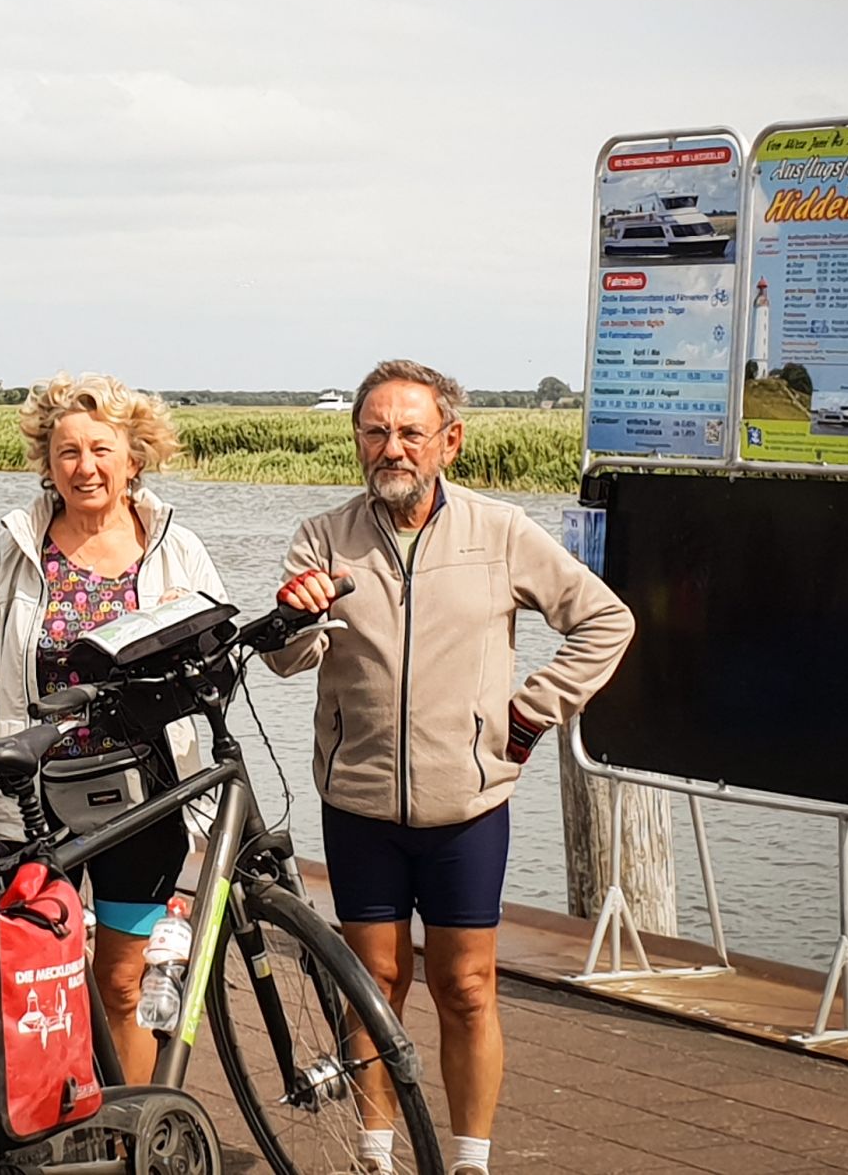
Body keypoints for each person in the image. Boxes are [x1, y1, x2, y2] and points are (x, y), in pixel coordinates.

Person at [268, 360, 634, 1175]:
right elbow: (291, 661)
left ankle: (469, 1159)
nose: (391, 447)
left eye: (409, 431)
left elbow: (605, 622)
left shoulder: (500, 532)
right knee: (374, 982)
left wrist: (530, 713)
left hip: (468, 804)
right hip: (359, 801)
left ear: (450, 442)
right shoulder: (323, 535)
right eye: (375, 431)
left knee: (466, 988)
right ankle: (374, 1150)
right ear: (357, 439)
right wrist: (296, 614)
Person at [0, 372, 226, 1085]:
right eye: (67, 452)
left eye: (102, 449)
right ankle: (40, 1125)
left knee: (121, 986)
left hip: (143, 798)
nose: (85, 467)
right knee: (34, 983)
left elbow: (218, 655)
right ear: (48, 463)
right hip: (32, 800)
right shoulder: (12, 551)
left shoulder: (176, 549)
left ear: (135, 458)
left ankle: (130, 1136)